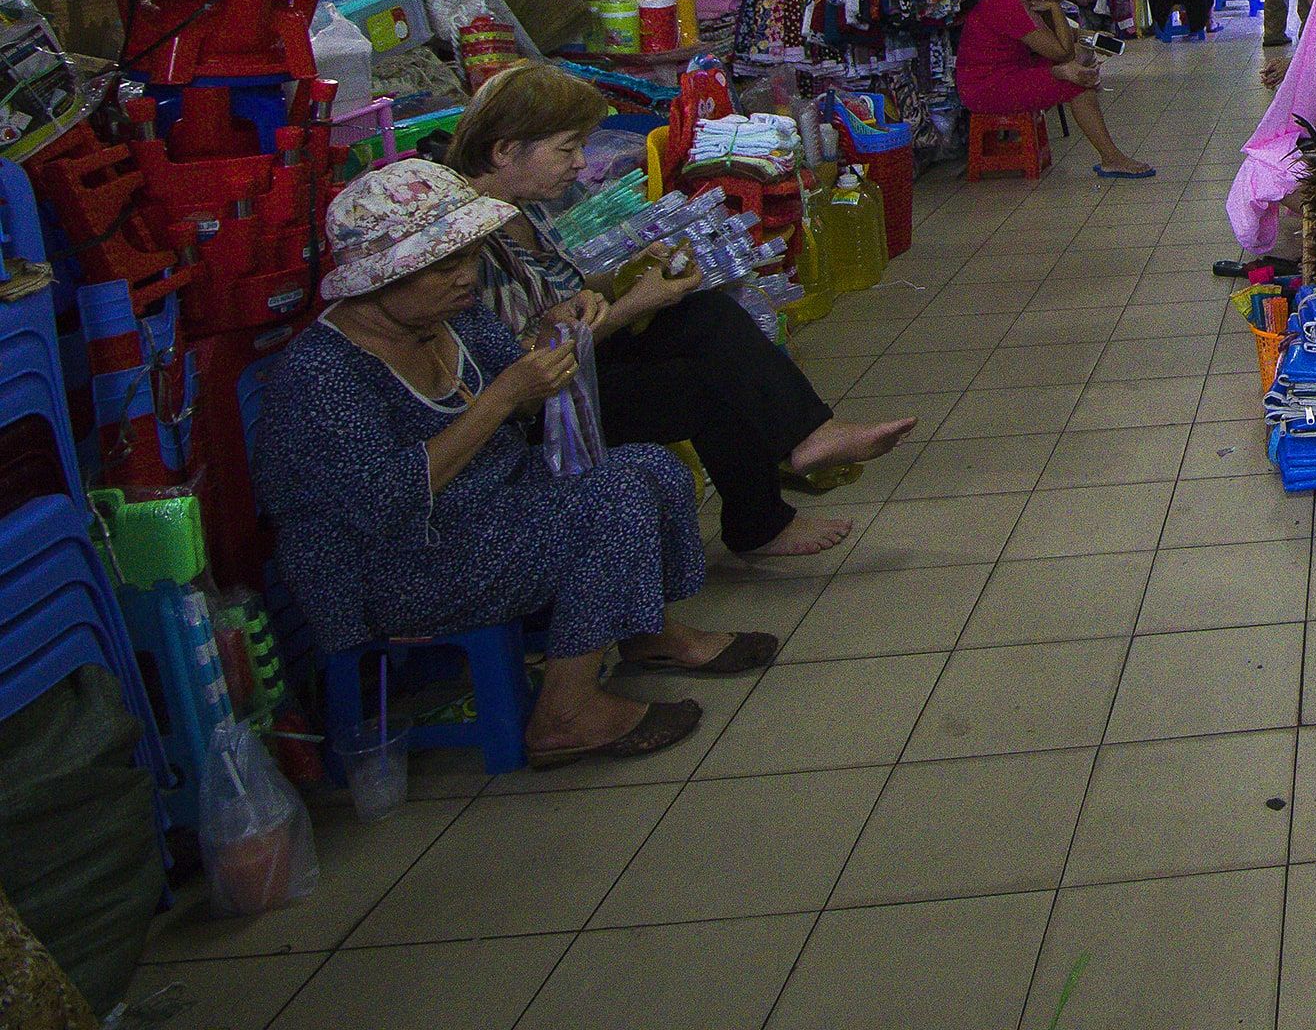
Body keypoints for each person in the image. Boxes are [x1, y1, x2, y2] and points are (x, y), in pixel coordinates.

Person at [251, 162, 778, 766]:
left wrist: (559, 334)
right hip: (394, 566)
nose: (466, 276)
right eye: (444, 265)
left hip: (487, 506)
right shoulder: (324, 375)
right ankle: (565, 715)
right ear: (380, 279)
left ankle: (646, 633)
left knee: (652, 469)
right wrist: (502, 394)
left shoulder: (456, 318)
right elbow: (386, 502)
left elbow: (526, 390)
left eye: (469, 256)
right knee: (615, 503)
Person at [451, 64, 916, 559]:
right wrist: (632, 304)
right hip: (535, 405)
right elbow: (527, 366)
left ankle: (809, 437)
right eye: (567, 149)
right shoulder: (469, 244)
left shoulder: (524, 206)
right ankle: (761, 520)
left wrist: (629, 272)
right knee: (704, 385)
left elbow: (560, 296)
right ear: (504, 150)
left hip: (574, 362)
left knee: (706, 316)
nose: (580, 163)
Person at [960, 0, 1156, 178]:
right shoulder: (1013, 8)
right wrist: (1055, 8)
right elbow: (1063, 51)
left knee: (1073, 69)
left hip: (1003, 73)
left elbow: (1046, 36)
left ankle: (1110, 154)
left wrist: (1086, 37)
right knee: (1077, 86)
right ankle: (1111, 158)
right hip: (986, 88)